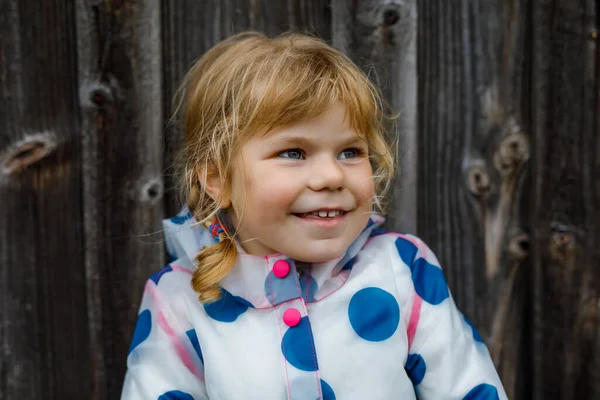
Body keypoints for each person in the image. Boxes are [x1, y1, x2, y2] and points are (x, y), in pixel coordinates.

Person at [121, 31, 507, 400]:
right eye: (293, 153)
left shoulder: (402, 269)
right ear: (217, 179)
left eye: (350, 151)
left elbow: (469, 388)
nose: (331, 176)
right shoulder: (179, 299)